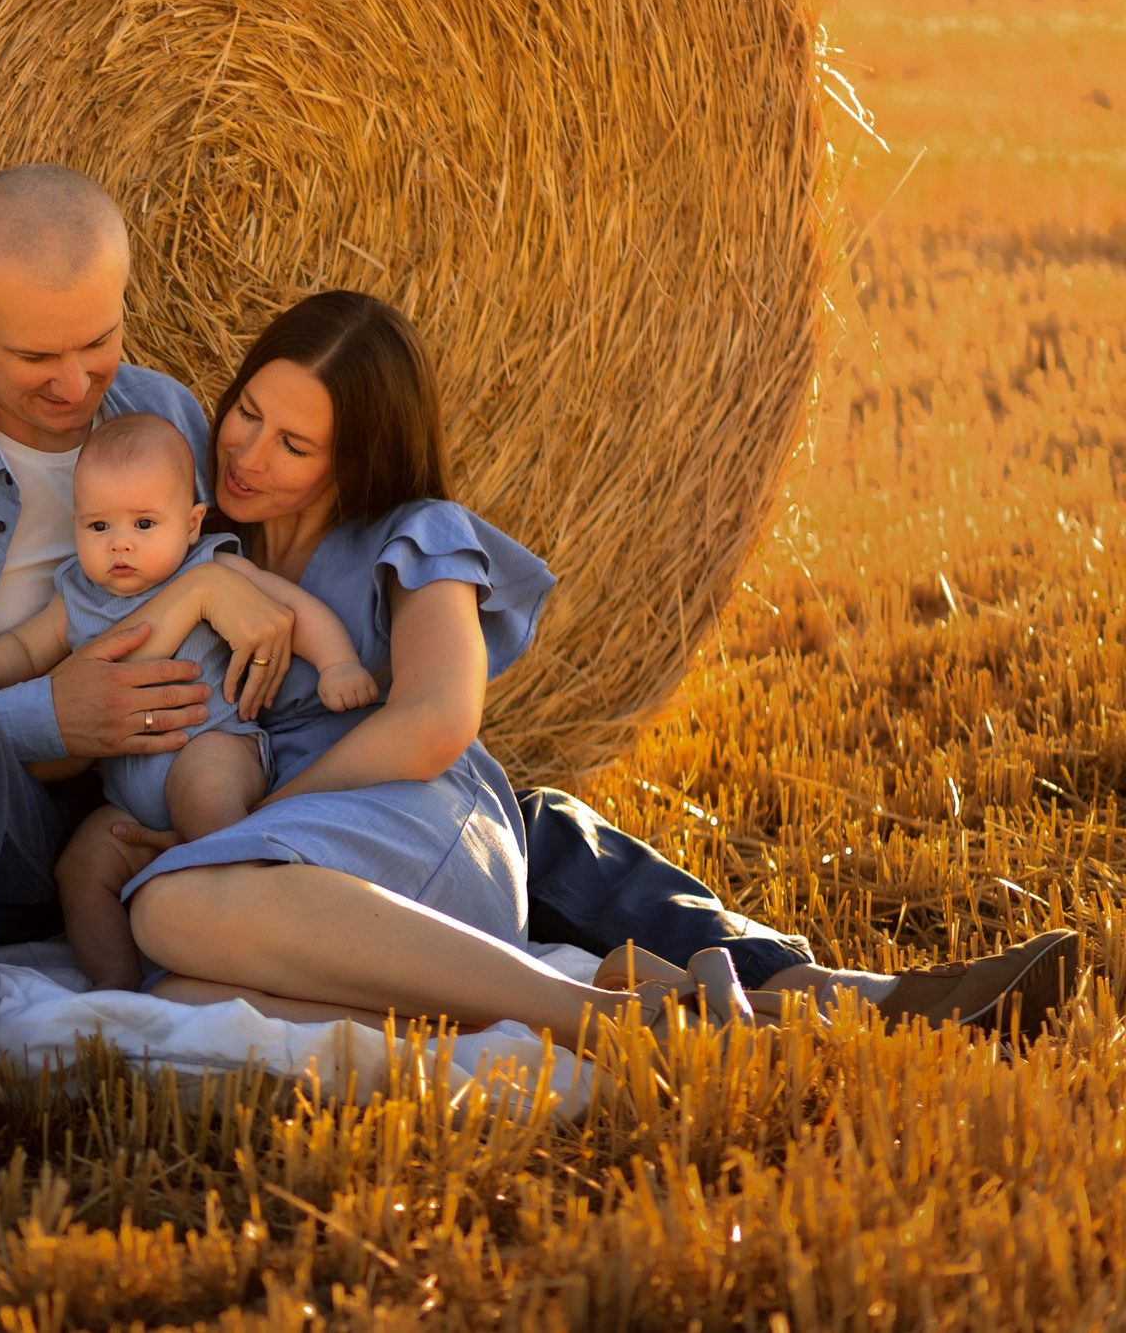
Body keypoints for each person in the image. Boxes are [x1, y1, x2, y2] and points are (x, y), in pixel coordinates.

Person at [0, 165, 1081, 1147]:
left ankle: (812, 984)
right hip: (22, 817)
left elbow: (270, 592)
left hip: (204, 780)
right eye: (35, 355)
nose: (81, 386)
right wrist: (47, 711)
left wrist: (234, 612)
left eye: (98, 340)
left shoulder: (163, 409)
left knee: (498, 806)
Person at [118, 290, 1081, 1040]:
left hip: (406, 820)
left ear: (359, 455)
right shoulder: (199, 536)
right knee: (187, 983)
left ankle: (604, 1017)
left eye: (295, 443)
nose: (245, 451)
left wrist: (261, 823)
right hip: (316, 870)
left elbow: (436, 721)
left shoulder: (415, 536)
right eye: (244, 411)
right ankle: (653, 1018)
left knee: (171, 906)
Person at [0, 410, 373, 989]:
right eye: (98, 527)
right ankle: (119, 994)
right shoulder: (77, 592)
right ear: (75, 524)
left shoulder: (213, 566)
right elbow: (25, 647)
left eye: (145, 523)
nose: (120, 543)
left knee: (206, 799)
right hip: (128, 795)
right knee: (80, 868)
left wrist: (337, 662)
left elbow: (288, 611)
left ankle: (248, 932)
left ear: (193, 522)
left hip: (213, 741)